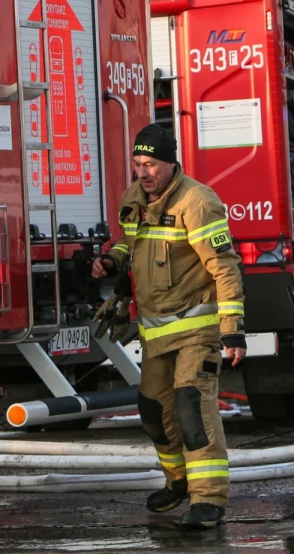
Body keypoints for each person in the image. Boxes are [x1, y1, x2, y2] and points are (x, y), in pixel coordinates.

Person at [91, 124, 245, 529]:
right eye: (137, 164)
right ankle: (178, 481)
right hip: (156, 333)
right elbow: (131, 244)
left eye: (151, 164)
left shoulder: (198, 202)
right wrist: (112, 260)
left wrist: (232, 328)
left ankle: (208, 500)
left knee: (192, 408)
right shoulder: (133, 198)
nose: (143, 173)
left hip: (197, 329)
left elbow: (225, 268)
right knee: (153, 411)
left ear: (171, 163)